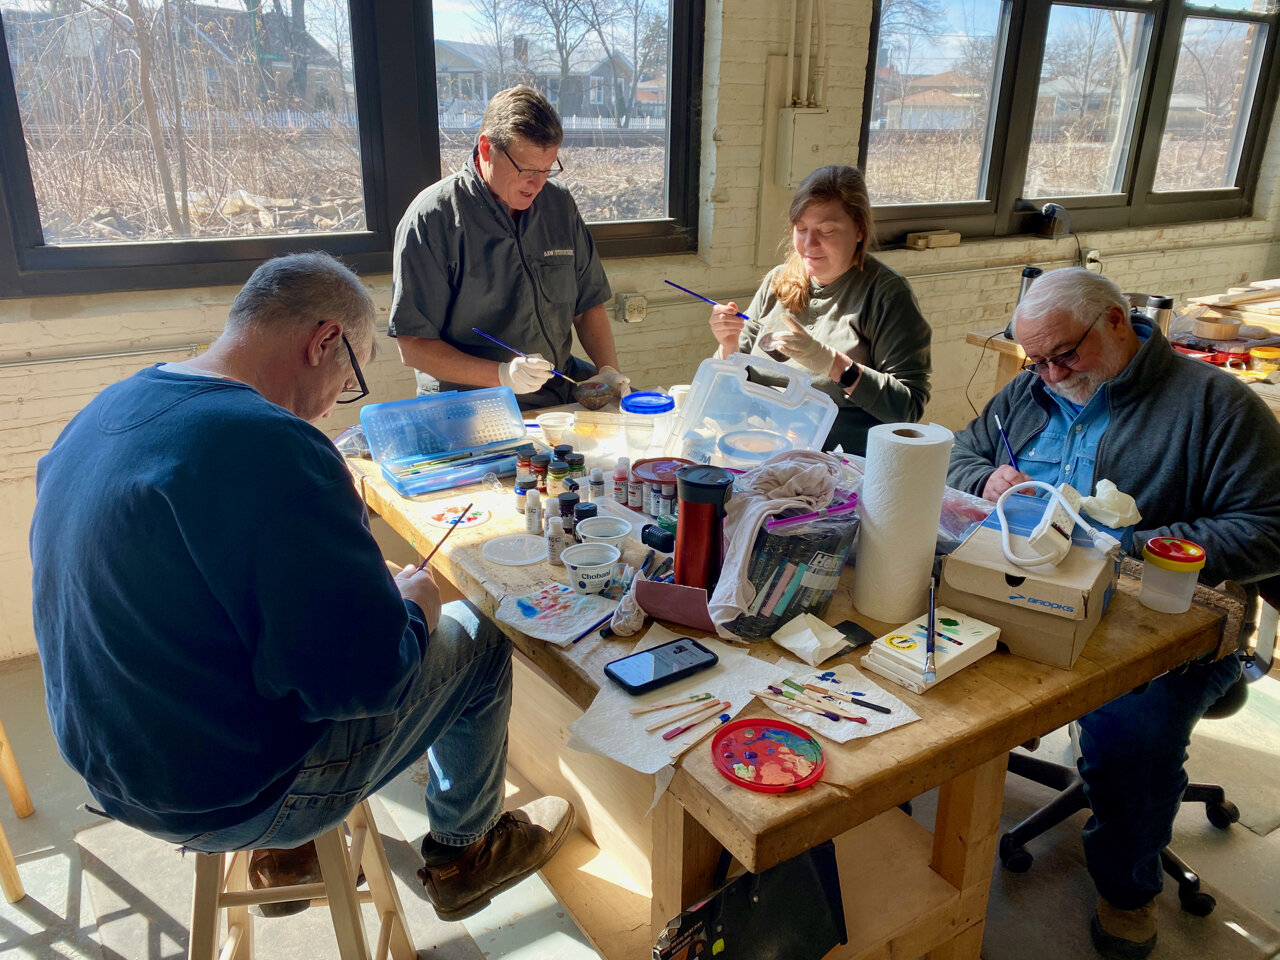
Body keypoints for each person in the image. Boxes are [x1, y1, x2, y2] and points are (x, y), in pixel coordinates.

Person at [29, 252, 573, 923]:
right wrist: (415, 609)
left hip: (116, 767)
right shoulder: (271, 445)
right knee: (481, 639)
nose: (334, 402)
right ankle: (466, 854)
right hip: (224, 797)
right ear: (324, 341)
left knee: (260, 639)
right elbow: (373, 681)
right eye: (350, 378)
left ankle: (291, 856)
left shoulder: (117, 403)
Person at [948, 267, 1280, 959]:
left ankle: (1127, 890)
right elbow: (961, 453)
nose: (1048, 373)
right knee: (928, 662)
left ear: (1116, 322)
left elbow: (1269, 528)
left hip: (1161, 623)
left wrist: (1133, 547)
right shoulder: (1033, 389)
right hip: (1029, 596)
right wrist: (986, 477)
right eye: (1035, 359)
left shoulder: (1214, 404)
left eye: (1063, 355)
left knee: (1131, 738)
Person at [389, 84, 629, 408]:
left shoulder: (557, 204)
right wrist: (501, 375)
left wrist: (607, 369)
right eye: (527, 171)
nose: (538, 184)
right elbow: (414, 345)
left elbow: (587, 307)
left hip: (555, 396)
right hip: (470, 408)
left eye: (547, 169)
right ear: (486, 149)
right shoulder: (433, 219)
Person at [707, 164, 931, 455]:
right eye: (801, 230)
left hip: (841, 464)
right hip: (762, 449)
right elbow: (729, 391)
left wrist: (833, 364)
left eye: (826, 230)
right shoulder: (778, 281)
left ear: (859, 230)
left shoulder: (887, 295)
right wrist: (727, 346)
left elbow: (908, 409)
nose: (809, 244)